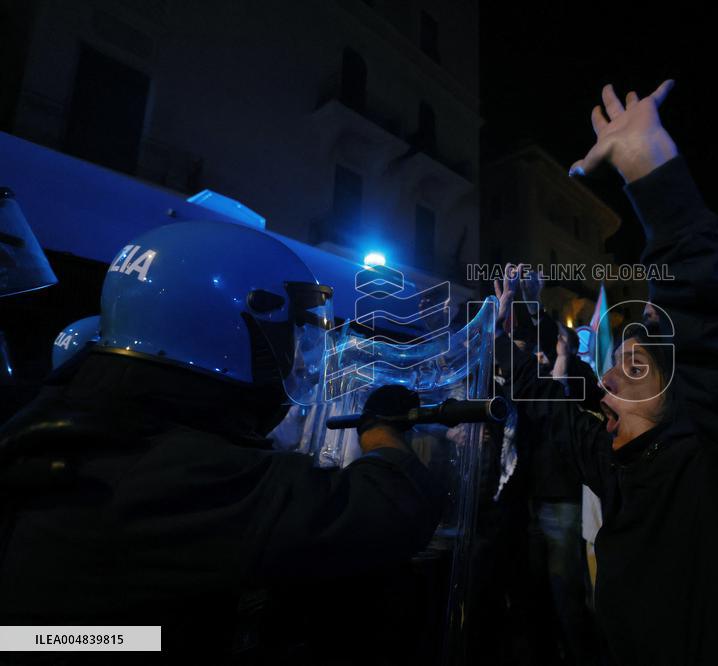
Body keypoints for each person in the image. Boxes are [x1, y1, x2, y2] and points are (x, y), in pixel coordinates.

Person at [0, 221, 444, 661]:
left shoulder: (75, 413)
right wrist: (381, 428)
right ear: (226, 325)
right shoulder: (174, 470)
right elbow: (390, 507)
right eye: (290, 331)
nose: (297, 350)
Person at [494, 79, 718, 665]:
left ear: (688, 388)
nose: (608, 382)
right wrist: (512, 326)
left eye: (632, 366)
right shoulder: (626, 470)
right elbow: (555, 404)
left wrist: (651, 171)